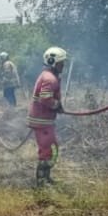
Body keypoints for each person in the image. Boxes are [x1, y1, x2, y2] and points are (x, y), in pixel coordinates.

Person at [27, 46, 67, 185]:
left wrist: (57, 106)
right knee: (46, 151)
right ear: (52, 62)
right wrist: (57, 105)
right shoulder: (50, 79)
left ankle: (46, 177)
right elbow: (45, 99)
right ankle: (42, 182)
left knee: (53, 147)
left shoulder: (49, 76)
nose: (63, 66)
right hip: (42, 120)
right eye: (61, 63)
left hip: (44, 119)